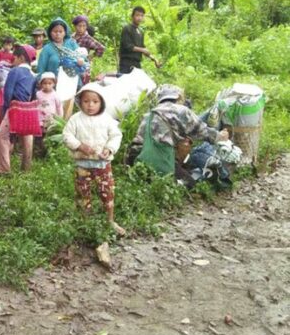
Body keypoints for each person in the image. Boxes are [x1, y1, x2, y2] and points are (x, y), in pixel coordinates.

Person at [127, 85, 229, 188]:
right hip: (159, 159)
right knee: (190, 183)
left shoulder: (149, 114)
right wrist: (220, 136)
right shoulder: (181, 111)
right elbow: (202, 131)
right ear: (177, 97)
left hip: (136, 158)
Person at [63, 83, 125, 235]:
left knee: (107, 191)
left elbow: (116, 135)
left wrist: (109, 148)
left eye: (95, 102)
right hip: (82, 164)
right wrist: (79, 145)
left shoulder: (107, 119)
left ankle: (110, 221)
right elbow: (67, 135)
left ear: (101, 102)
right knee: (83, 192)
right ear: (80, 101)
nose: (90, 105)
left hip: (103, 164)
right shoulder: (75, 119)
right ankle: (86, 221)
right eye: (86, 101)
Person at [0, 44, 37, 174]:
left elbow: (8, 93)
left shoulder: (15, 71)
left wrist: (6, 110)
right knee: (27, 136)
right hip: (29, 108)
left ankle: (4, 168)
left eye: (15, 57)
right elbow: (34, 94)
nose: (13, 60)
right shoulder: (33, 74)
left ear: (21, 58)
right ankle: (26, 167)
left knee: (1, 136)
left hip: (15, 106)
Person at [118, 6, 161, 74]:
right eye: (137, 15)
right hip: (126, 63)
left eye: (142, 16)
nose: (139, 18)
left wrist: (154, 59)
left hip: (137, 64)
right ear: (132, 16)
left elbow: (142, 47)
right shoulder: (127, 28)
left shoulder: (141, 31)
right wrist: (143, 50)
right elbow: (128, 46)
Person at [72, 15, 104, 84]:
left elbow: (101, 48)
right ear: (74, 26)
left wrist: (91, 56)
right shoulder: (72, 37)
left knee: (82, 84)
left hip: (83, 66)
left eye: (84, 26)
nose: (81, 28)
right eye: (79, 26)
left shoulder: (87, 38)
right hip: (72, 64)